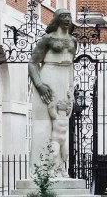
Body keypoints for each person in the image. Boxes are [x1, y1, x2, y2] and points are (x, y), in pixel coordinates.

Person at [29, 9, 77, 176]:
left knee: (62, 124)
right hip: (48, 76)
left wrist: (72, 89)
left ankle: (60, 168)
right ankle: (41, 169)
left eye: (69, 16)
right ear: (57, 19)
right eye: (63, 16)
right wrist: (39, 84)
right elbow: (33, 63)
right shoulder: (48, 39)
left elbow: (71, 65)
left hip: (64, 78)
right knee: (44, 123)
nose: (67, 19)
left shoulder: (73, 40)